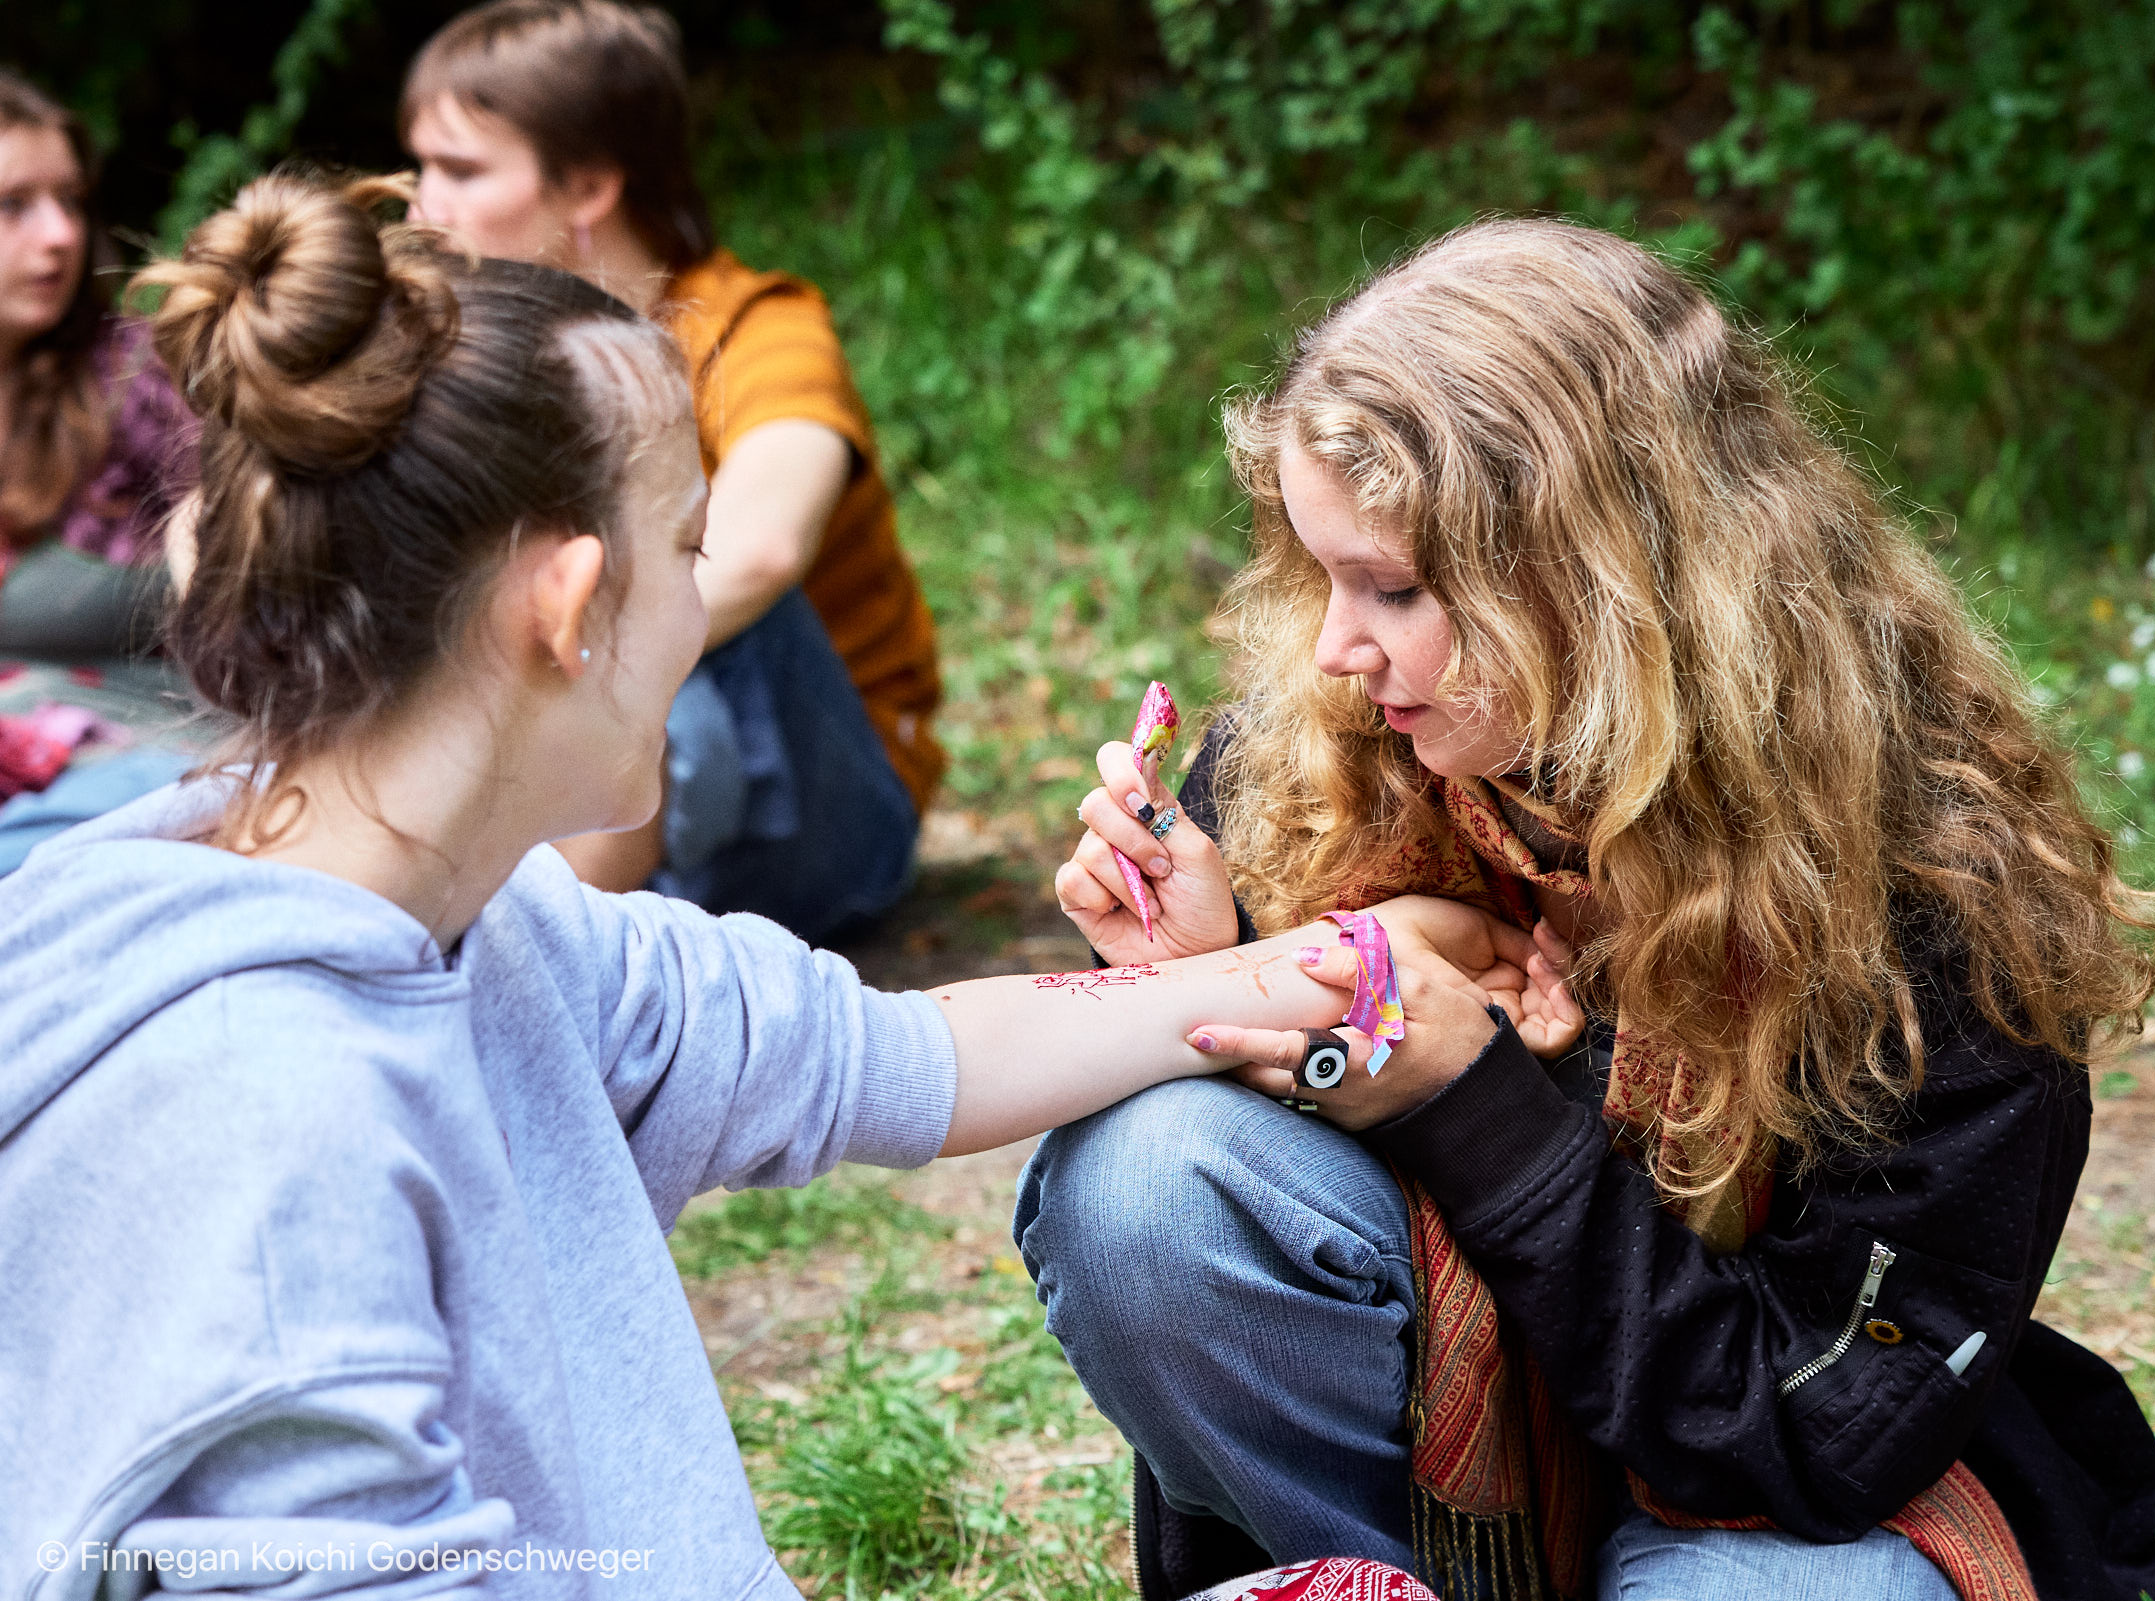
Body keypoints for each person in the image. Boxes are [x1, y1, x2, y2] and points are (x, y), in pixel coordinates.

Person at [0, 172, 1575, 1601]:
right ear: (570, 605)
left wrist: (1296, 968)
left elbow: (888, 1057)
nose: (710, 601)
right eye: (686, 546)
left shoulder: (480, 926)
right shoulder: (275, 1146)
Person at [1025, 220, 2155, 1601]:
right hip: (1429, 1482)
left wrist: (1474, 1095)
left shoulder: (1939, 891)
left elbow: (1822, 1434)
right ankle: (1371, 1580)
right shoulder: (1316, 755)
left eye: (1393, 588)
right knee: (1149, 1172)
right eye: (1323, 574)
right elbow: (1218, 1221)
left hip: (1769, 1510)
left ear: (1601, 587)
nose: (1334, 645)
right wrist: (1206, 981)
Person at [398, 0, 942, 941]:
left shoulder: (758, 326)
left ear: (589, 186)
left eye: (460, 171)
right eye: (420, 169)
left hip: (831, 812)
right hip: (652, 796)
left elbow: (763, 548)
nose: (422, 205)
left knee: (649, 575)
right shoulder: (488, 354)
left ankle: (546, 959)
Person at [0, 69, 202, 872]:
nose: (58, 234)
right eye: (13, 205)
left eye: (72, 200)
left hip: (143, 755)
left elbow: (257, 571)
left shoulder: (132, 378)